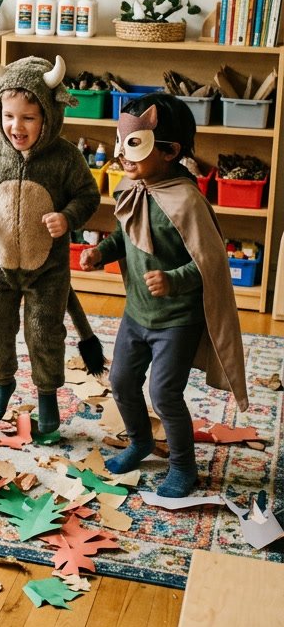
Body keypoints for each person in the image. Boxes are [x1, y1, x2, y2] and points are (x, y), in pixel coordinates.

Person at [80, 93, 247, 497]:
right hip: (137, 313)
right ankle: (140, 441)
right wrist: (100, 252)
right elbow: (126, 235)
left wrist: (173, 280)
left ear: (170, 151)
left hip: (176, 320)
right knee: (121, 380)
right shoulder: (132, 187)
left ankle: (183, 466)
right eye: (121, 142)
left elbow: (209, 263)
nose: (122, 155)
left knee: (164, 393)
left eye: (134, 144)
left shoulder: (186, 201)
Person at [0, 52, 101, 434]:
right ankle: (3, 381)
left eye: (28, 118)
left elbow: (88, 195)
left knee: (44, 332)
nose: (15, 126)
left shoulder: (66, 157)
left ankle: (47, 393)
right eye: (8, 116)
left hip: (47, 269)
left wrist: (67, 217)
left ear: (49, 117)